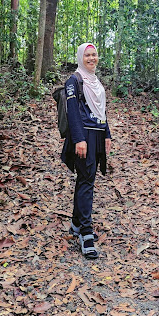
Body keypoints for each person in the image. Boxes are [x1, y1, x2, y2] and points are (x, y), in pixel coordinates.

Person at [61, 43, 111, 259]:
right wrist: (79, 139)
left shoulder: (96, 81)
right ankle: (86, 233)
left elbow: (101, 110)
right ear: (80, 57)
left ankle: (75, 224)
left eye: (94, 54)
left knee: (86, 179)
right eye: (87, 55)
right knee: (87, 182)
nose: (91, 58)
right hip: (84, 136)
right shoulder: (74, 80)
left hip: (97, 133)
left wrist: (107, 134)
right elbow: (72, 112)